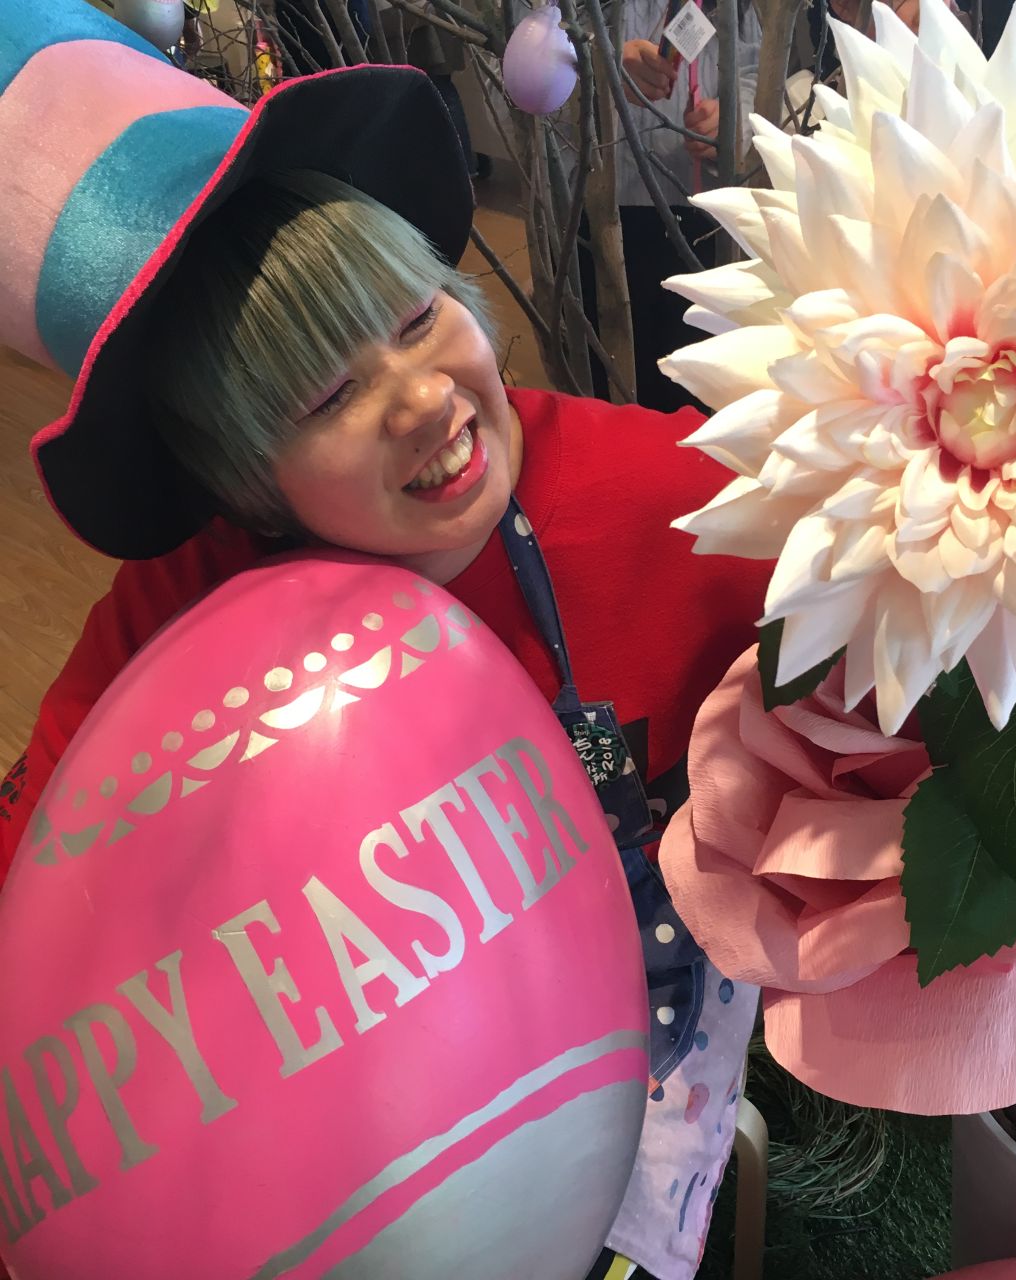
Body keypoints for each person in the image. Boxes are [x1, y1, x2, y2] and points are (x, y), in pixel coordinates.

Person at [0, 5, 769, 1277]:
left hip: (645, 1101)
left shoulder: (662, 496)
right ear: (244, 483)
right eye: (327, 395)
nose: (421, 400)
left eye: (417, 319)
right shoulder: (169, 627)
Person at [576, 0, 762, 413]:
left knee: (698, 395)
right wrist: (597, 64)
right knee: (616, 395)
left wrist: (734, 118)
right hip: (603, 216)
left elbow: (753, 70)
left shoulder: (736, 8)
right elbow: (517, 74)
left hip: (706, 220)